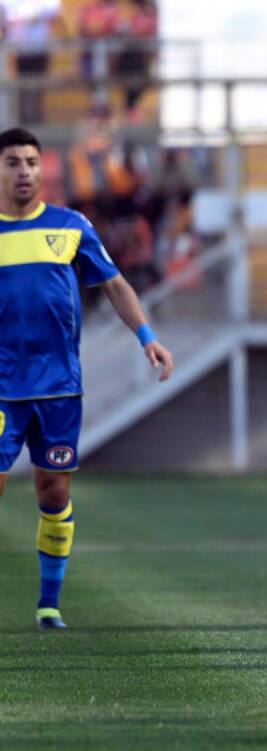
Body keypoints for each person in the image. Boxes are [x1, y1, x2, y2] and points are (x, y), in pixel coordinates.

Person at [0, 127, 174, 629]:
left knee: (54, 495)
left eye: (32, 161)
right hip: (2, 387)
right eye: (13, 162)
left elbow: (116, 284)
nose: (25, 171)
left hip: (59, 388)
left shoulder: (71, 226)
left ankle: (49, 604)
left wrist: (147, 336)